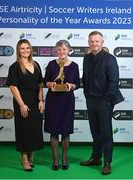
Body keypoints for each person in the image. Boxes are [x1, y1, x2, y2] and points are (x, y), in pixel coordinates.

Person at [80, 31, 124, 175]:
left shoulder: (110, 59)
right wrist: (86, 95)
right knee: (95, 132)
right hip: (91, 100)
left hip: (105, 101)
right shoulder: (86, 58)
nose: (94, 44)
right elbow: (85, 77)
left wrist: (106, 100)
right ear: (88, 43)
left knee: (105, 133)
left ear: (102, 42)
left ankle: (107, 162)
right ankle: (96, 157)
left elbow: (114, 82)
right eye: (92, 41)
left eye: (97, 41)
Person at [6, 39, 44, 172]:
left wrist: (41, 100)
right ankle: (24, 158)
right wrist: (21, 104)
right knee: (24, 129)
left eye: (27, 48)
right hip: (22, 101)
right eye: (22, 48)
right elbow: (13, 87)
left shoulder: (36, 64)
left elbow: (40, 84)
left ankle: (31, 155)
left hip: (35, 102)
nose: (25, 50)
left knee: (34, 129)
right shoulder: (15, 67)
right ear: (18, 50)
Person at [44, 40, 80, 170]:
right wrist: (51, 84)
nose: (61, 52)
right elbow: (45, 81)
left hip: (67, 101)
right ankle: (55, 160)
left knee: (65, 131)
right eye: (59, 49)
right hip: (53, 100)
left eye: (64, 49)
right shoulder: (51, 64)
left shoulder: (74, 66)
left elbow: (78, 84)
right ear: (56, 51)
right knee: (53, 131)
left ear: (69, 50)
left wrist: (71, 86)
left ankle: (64, 159)